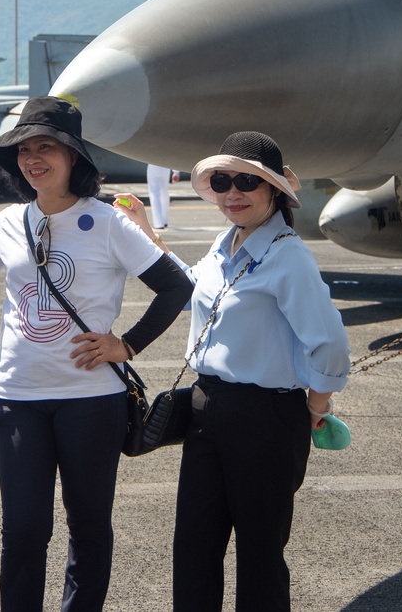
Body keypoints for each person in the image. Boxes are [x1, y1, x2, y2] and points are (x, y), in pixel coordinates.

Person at [0, 96, 193, 612]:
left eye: (46, 147)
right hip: (18, 398)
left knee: (89, 525)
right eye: (25, 150)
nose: (33, 158)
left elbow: (175, 286)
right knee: (24, 529)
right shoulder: (10, 221)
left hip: (92, 400)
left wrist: (127, 344)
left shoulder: (106, 222)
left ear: (74, 157)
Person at [115, 131, 350, 611]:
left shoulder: (289, 256)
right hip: (207, 407)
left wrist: (316, 406)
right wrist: (145, 232)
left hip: (267, 416)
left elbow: (329, 343)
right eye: (222, 182)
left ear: (275, 192)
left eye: (247, 181)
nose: (232, 193)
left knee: (260, 555)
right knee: (194, 546)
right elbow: (190, 287)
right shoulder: (226, 244)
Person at [146, 163, 180, 230]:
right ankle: (164, 220)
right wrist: (176, 172)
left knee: (154, 193)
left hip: (153, 165)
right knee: (164, 191)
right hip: (165, 166)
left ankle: (158, 223)